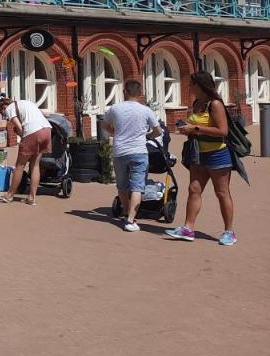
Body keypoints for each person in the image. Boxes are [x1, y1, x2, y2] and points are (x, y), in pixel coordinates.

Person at [166, 70, 236, 245]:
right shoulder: (197, 103)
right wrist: (186, 130)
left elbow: (222, 131)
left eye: (191, 84)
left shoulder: (215, 104)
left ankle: (229, 232)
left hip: (218, 153)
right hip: (199, 153)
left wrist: (195, 128)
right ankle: (188, 228)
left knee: (221, 193)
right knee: (194, 189)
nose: (189, 87)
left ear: (200, 85)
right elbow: (196, 126)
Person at [100, 79, 163, 232]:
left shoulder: (115, 108)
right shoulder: (145, 110)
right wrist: (147, 135)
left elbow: (104, 124)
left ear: (124, 92)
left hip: (120, 151)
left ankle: (126, 211)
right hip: (139, 151)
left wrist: (114, 132)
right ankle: (130, 219)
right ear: (140, 93)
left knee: (122, 185)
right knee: (137, 186)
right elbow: (158, 131)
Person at [0, 95, 52, 205]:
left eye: (1, 112)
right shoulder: (25, 102)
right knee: (35, 165)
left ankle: (9, 195)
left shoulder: (10, 108)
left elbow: (20, 128)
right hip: (47, 130)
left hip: (33, 132)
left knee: (20, 166)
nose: (3, 115)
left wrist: (19, 134)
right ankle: (32, 197)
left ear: (4, 106)